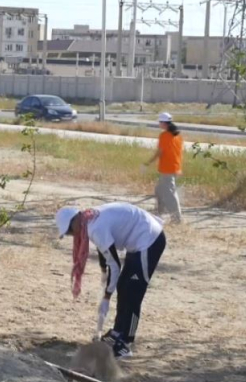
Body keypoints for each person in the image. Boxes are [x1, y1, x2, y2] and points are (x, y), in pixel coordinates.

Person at [56, 202, 167, 359]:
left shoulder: (95, 228)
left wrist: (107, 297)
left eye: (68, 231)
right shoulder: (89, 220)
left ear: (74, 221)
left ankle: (126, 343)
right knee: (123, 286)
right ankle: (117, 333)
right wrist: (103, 272)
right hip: (138, 240)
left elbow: (115, 265)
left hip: (149, 239)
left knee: (133, 292)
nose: (70, 235)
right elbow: (105, 250)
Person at [145, 112, 183, 223]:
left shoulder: (164, 135)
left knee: (170, 193)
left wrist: (148, 163)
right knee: (159, 190)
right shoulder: (178, 135)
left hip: (168, 169)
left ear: (163, 123)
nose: (159, 124)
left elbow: (160, 152)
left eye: (159, 122)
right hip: (174, 167)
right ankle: (160, 213)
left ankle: (177, 218)